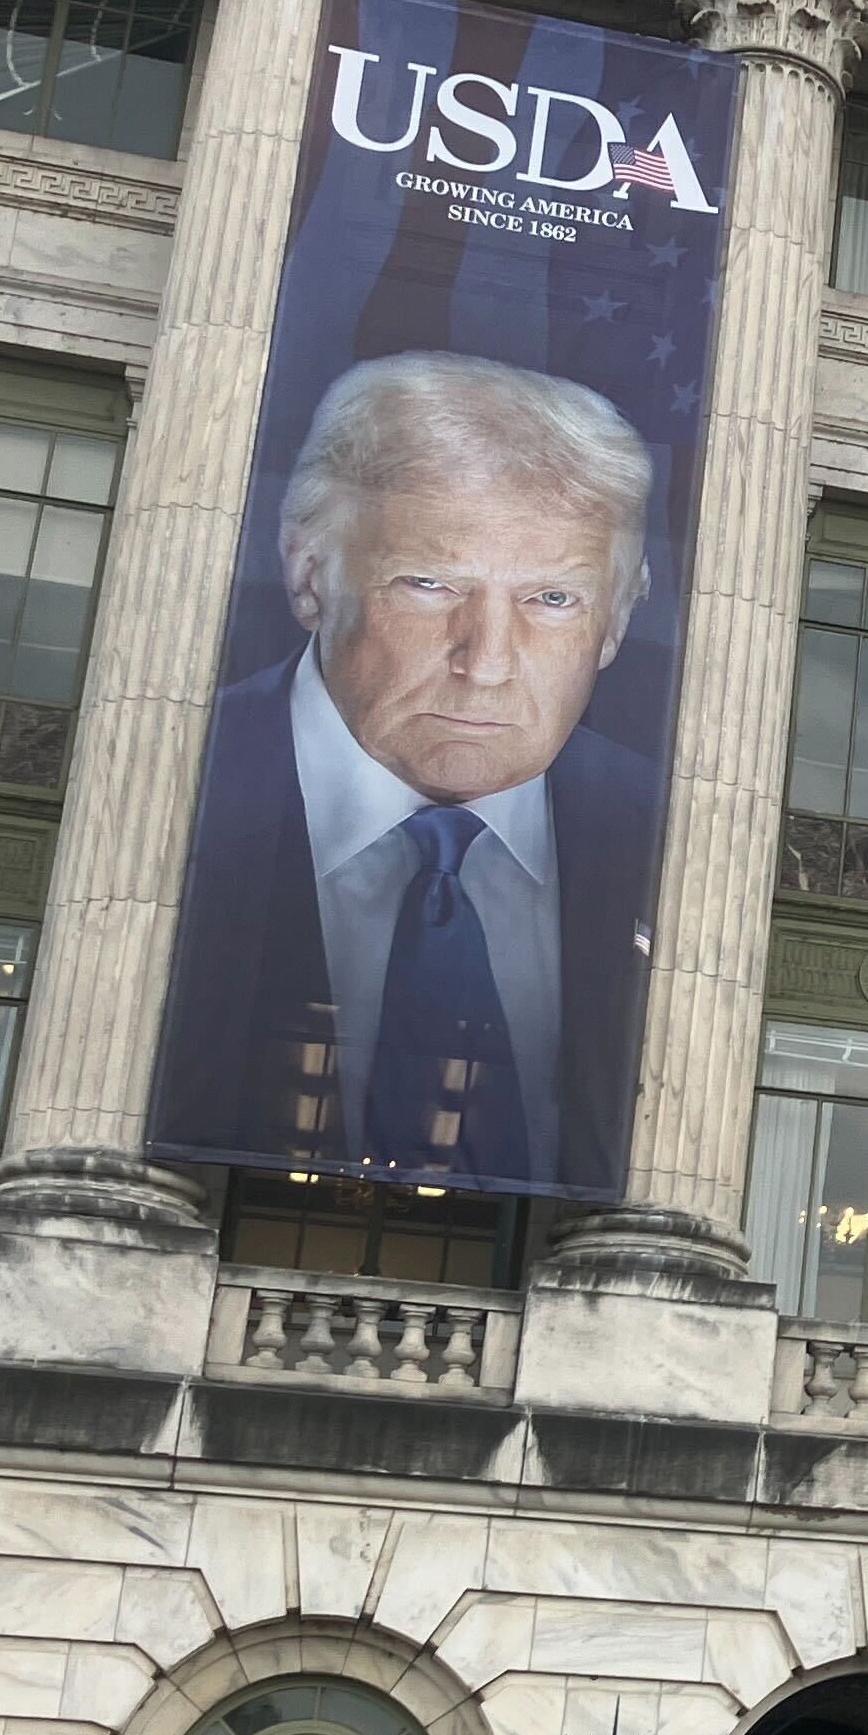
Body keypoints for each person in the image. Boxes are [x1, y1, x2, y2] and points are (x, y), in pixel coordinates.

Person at [149, 351, 663, 1198]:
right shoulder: (176, 757)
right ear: (310, 574)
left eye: (553, 600)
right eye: (429, 585)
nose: (488, 662)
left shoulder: (665, 826)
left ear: (616, 620)